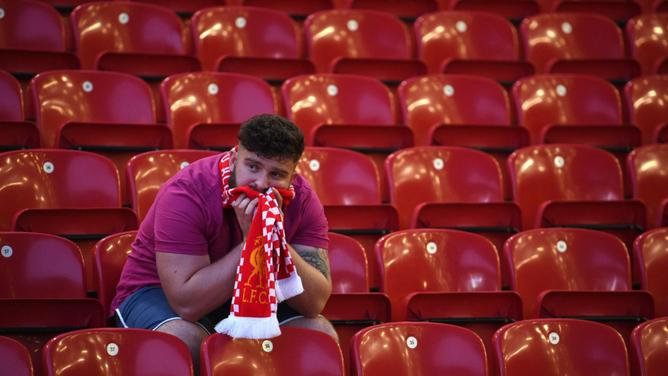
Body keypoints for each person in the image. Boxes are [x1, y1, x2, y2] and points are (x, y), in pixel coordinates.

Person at [111, 114, 336, 366]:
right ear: (233, 159)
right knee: (184, 340)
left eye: (276, 173)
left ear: (293, 175)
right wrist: (254, 241)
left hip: (245, 292)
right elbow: (187, 305)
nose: (261, 183)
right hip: (155, 292)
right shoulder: (186, 193)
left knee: (318, 333)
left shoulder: (303, 199)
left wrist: (273, 238)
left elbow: (314, 303)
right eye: (252, 166)